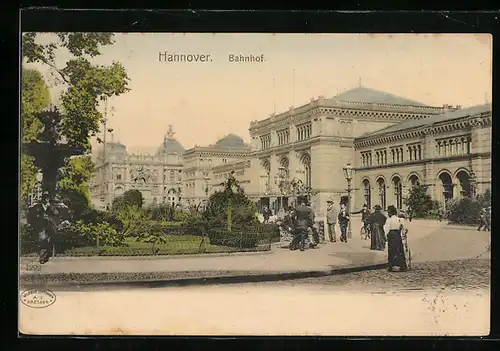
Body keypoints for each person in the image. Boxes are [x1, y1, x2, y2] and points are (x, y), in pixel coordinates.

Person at [27, 191, 59, 264]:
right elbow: (33, 215)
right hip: (41, 226)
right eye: (45, 198)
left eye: (47, 198)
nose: (46, 199)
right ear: (43, 199)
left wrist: (50, 206)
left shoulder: (51, 206)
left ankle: (46, 256)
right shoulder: (38, 206)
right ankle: (42, 258)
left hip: (50, 226)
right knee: (42, 241)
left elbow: (56, 213)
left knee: (49, 241)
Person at [385, 205, 408, 272]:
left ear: (390, 212)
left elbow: (387, 228)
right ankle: (403, 266)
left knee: (391, 250)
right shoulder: (399, 219)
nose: (388, 214)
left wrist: (385, 236)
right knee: (399, 250)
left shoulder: (389, 219)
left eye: (388, 213)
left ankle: (391, 266)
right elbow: (403, 227)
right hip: (397, 235)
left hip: (391, 235)